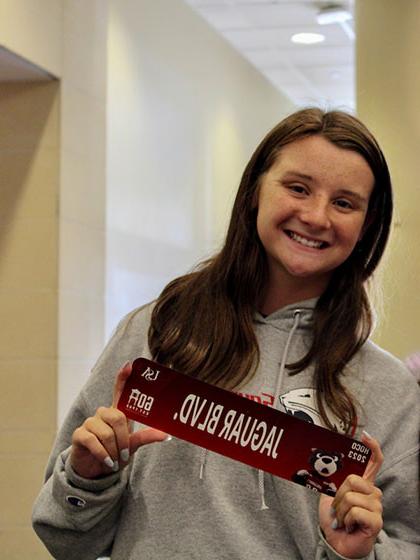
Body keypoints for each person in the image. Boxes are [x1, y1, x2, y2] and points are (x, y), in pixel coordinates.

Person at [32, 108, 420, 560]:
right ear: (256, 190)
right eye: (298, 188)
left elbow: (406, 542)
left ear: (367, 225)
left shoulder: (388, 388)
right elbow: (64, 538)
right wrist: (87, 478)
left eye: (344, 203)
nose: (316, 216)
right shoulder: (155, 333)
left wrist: (354, 554)